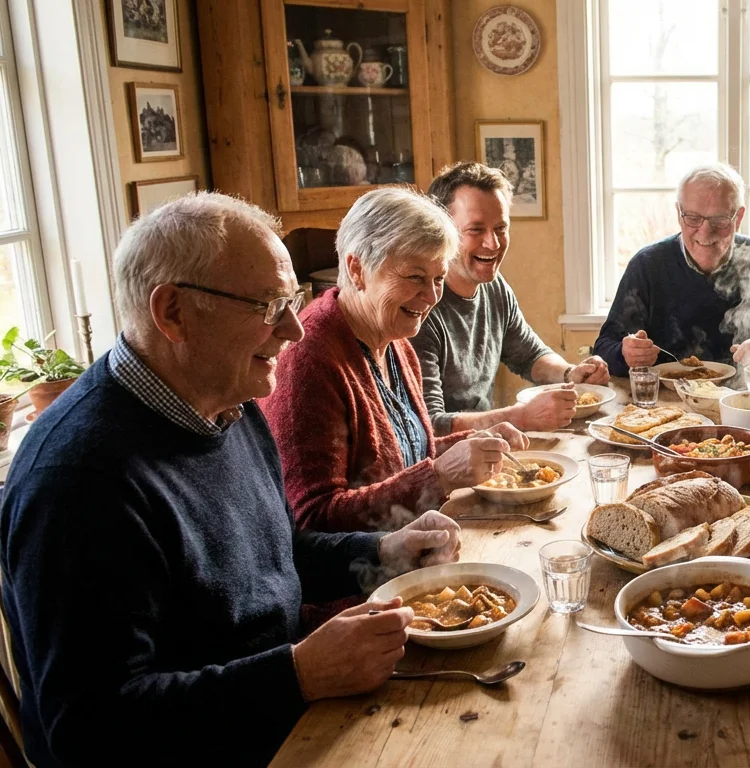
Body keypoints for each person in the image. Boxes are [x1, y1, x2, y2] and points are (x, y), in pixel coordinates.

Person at [0, 192, 462, 765]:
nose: (295, 329)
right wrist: (298, 675)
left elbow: (279, 552)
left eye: (292, 300)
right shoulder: (79, 481)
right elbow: (89, 729)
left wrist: (386, 549)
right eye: (269, 306)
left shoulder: (228, 404)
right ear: (172, 312)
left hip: (287, 720)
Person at [262, 187, 528, 534]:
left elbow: (410, 457)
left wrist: (473, 443)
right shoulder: (309, 359)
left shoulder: (396, 340)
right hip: (361, 584)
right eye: (415, 277)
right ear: (357, 269)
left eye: (438, 279)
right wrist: (440, 476)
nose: (432, 296)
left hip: (413, 556)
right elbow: (311, 520)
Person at [414, 161, 610, 434]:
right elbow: (429, 426)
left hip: (486, 447)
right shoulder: (419, 308)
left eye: (500, 228)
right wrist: (520, 417)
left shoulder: (494, 287)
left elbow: (529, 355)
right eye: (476, 229)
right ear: (441, 230)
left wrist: (571, 373)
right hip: (440, 463)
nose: (493, 244)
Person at [593, 163, 750, 379]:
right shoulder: (647, 265)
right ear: (679, 213)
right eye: (693, 218)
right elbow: (604, 346)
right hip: (665, 405)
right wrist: (625, 354)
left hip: (744, 401)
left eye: (719, 219)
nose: (705, 233)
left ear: (739, 217)